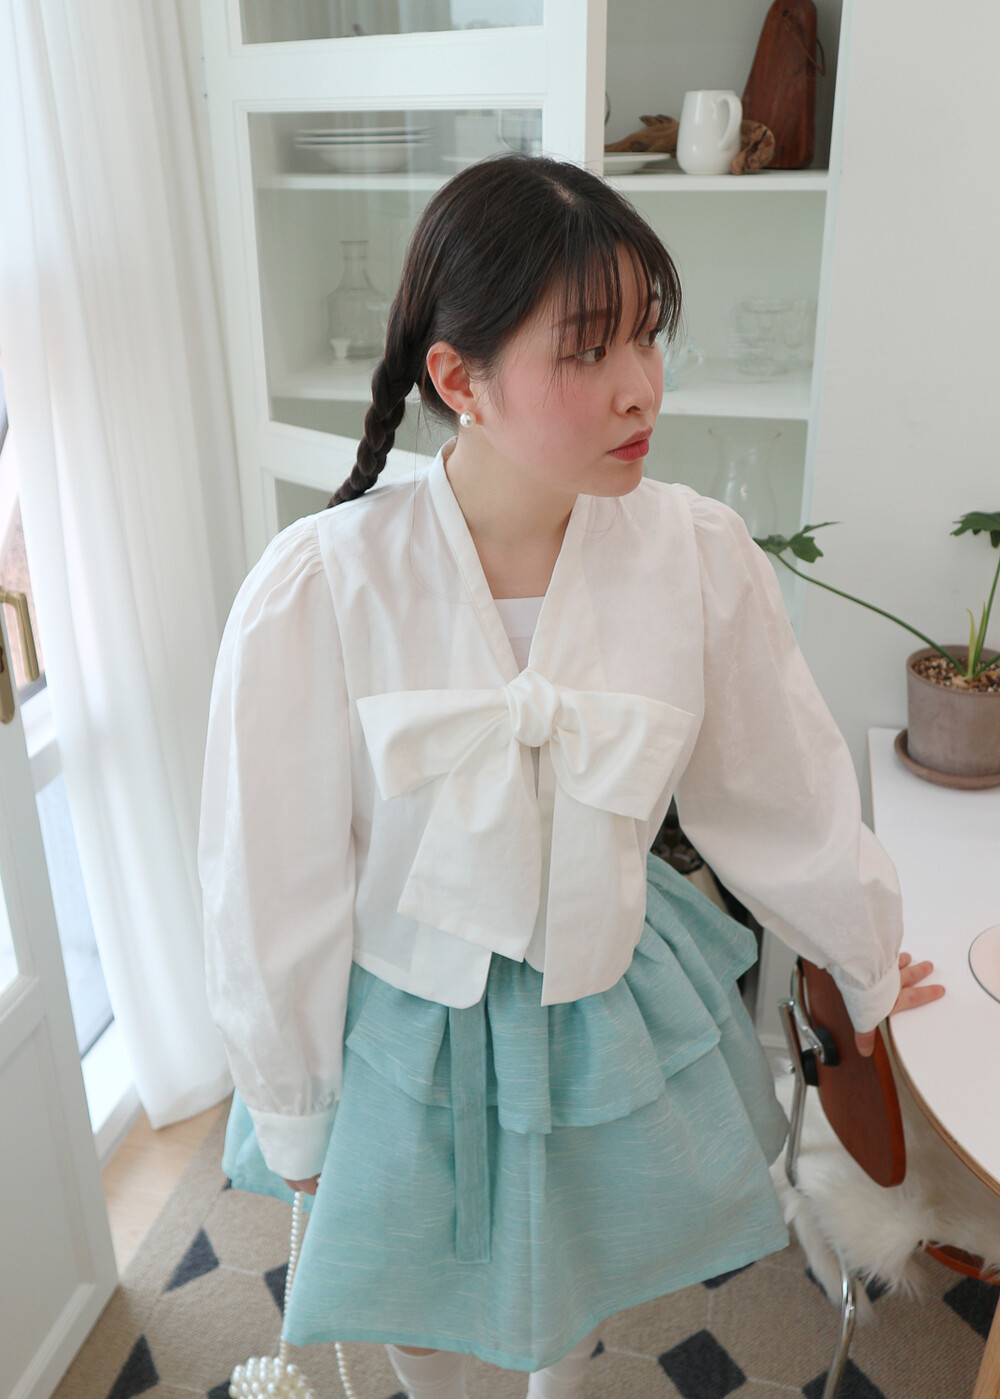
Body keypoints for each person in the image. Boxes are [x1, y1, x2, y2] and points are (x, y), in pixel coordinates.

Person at [198, 153, 943, 1399]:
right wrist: (297, 1105)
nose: (641, 386)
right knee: (422, 1310)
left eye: (647, 336)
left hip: (601, 1002)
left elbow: (779, 792)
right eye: (588, 351)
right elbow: (269, 877)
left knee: (579, 1290)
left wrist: (861, 954)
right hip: (403, 1027)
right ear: (460, 381)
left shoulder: (693, 553)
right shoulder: (323, 585)